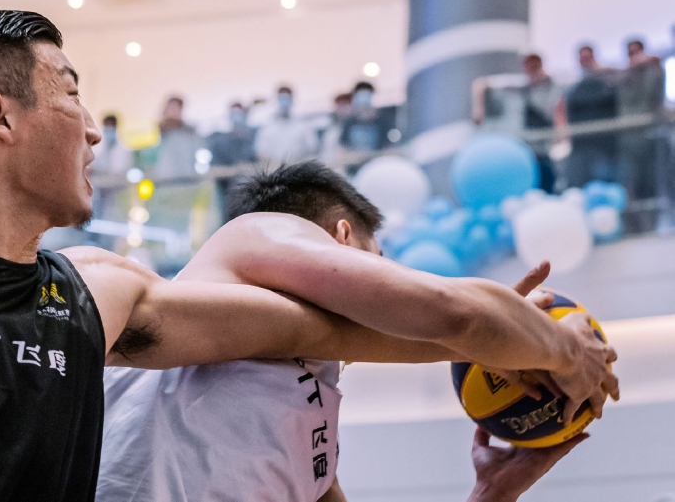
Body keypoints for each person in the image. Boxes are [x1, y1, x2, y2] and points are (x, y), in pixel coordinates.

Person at [0, 10, 615, 501]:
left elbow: (338, 330)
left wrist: (515, 342)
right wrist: (548, 345)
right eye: (72, 94)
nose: (96, 130)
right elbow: (435, 316)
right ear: (0, 116)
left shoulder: (99, 294)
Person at [99, 162, 617, 502]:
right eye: (380, 260)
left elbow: (456, 319)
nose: (389, 282)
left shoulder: (311, 438)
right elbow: (450, 312)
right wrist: (565, 350)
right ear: (341, 236)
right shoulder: (252, 234)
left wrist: (491, 494)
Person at [472, 55, 566, 192]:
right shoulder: (520, 86)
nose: (532, 70)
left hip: (543, 145)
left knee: (547, 179)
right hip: (524, 146)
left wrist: (561, 132)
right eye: (529, 66)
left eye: (535, 66)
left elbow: (558, 110)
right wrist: (478, 109)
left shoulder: (550, 86)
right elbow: (482, 83)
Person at [618, 39, 666, 203]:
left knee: (653, 178)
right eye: (630, 53)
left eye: (636, 52)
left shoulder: (654, 72)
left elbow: (655, 92)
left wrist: (650, 63)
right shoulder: (624, 75)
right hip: (630, 137)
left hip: (650, 134)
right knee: (632, 180)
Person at [565, 46, 619, 186]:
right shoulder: (575, 88)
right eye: (582, 58)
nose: (585, 61)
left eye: (588, 58)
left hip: (605, 146)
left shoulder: (608, 80)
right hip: (581, 146)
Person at [205, 102, 257, 221]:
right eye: (234, 113)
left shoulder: (253, 138)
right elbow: (216, 168)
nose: (237, 117)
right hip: (226, 192)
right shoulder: (220, 141)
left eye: (239, 113)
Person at [254, 86, 319, 164]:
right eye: (282, 98)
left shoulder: (303, 126)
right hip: (274, 168)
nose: (284, 102)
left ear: (292, 100)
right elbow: (261, 151)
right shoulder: (267, 126)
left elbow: (312, 148)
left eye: (287, 98)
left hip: (298, 167)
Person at [154, 96, 202, 180]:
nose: (174, 112)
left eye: (177, 108)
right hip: (166, 177)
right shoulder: (159, 130)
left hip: (187, 175)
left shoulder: (189, 131)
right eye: (172, 108)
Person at [320, 93, 355, 165]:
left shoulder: (354, 128)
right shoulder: (329, 127)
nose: (342, 110)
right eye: (339, 106)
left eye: (345, 106)